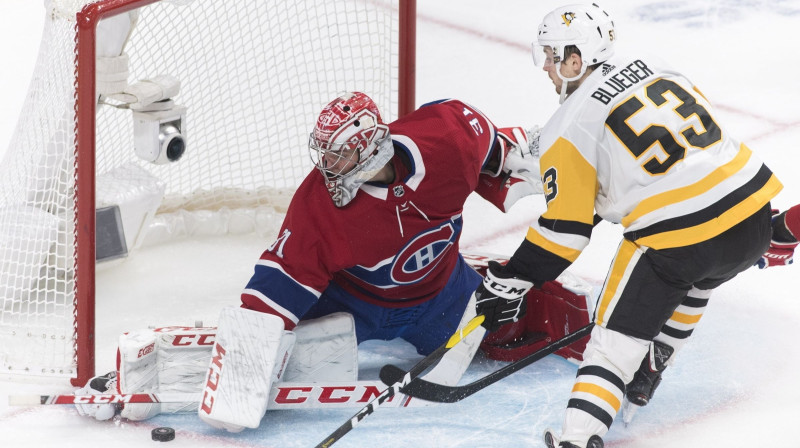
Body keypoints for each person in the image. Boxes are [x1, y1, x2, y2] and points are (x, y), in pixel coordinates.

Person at [74, 92, 595, 429]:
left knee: (500, 331)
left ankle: (562, 310)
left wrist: (561, 181)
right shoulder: (317, 206)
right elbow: (271, 292)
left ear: (373, 151)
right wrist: (242, 370)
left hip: (439, 290)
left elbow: (508, 154)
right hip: (356, 305)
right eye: (324, 155)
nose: (328, 168)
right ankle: (170, 372)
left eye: (339, 156)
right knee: (292, 358)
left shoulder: (447, 138)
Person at [471, 4, 783, 448]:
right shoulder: (660, 67)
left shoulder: (567, 127)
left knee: (611, 345)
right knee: (701, 276)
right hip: (752, 215)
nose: (546, 66)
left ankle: (577, 439)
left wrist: (512, 277)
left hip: (679, 238)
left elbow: (565, 231)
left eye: (551, 55)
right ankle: (653, 365)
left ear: (575, 59)